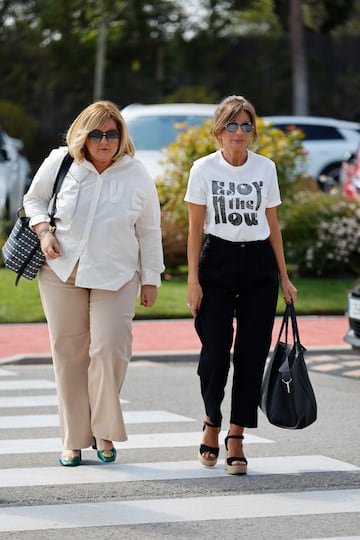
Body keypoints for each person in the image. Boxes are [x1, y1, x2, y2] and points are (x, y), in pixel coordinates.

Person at [23, 100, 164, 467]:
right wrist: (44, 233)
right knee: (68, 355)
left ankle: (103, 429)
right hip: (61, 271)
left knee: (109, 349)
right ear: (83, 137)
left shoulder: (137, 174)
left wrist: (151, 278)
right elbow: (34, 200)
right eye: (97, 134)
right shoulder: (61, 162)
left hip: (117, 275)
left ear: (121, 136)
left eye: (112, 134)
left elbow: (149, 230)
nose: (104, 141)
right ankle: (73, 439)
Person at [184, 95, 297, 475]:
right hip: (215, 263)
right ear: (218, 131)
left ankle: (236, 435)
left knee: (251, 355)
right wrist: (193, 280)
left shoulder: (265, 168)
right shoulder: (202, 169)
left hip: (258, 265)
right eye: (231, 125)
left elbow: (273, 225)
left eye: (246, 125)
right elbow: (194, 229)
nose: (239, 132)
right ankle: (211, 420)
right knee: (215, 353)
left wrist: (284, 276)